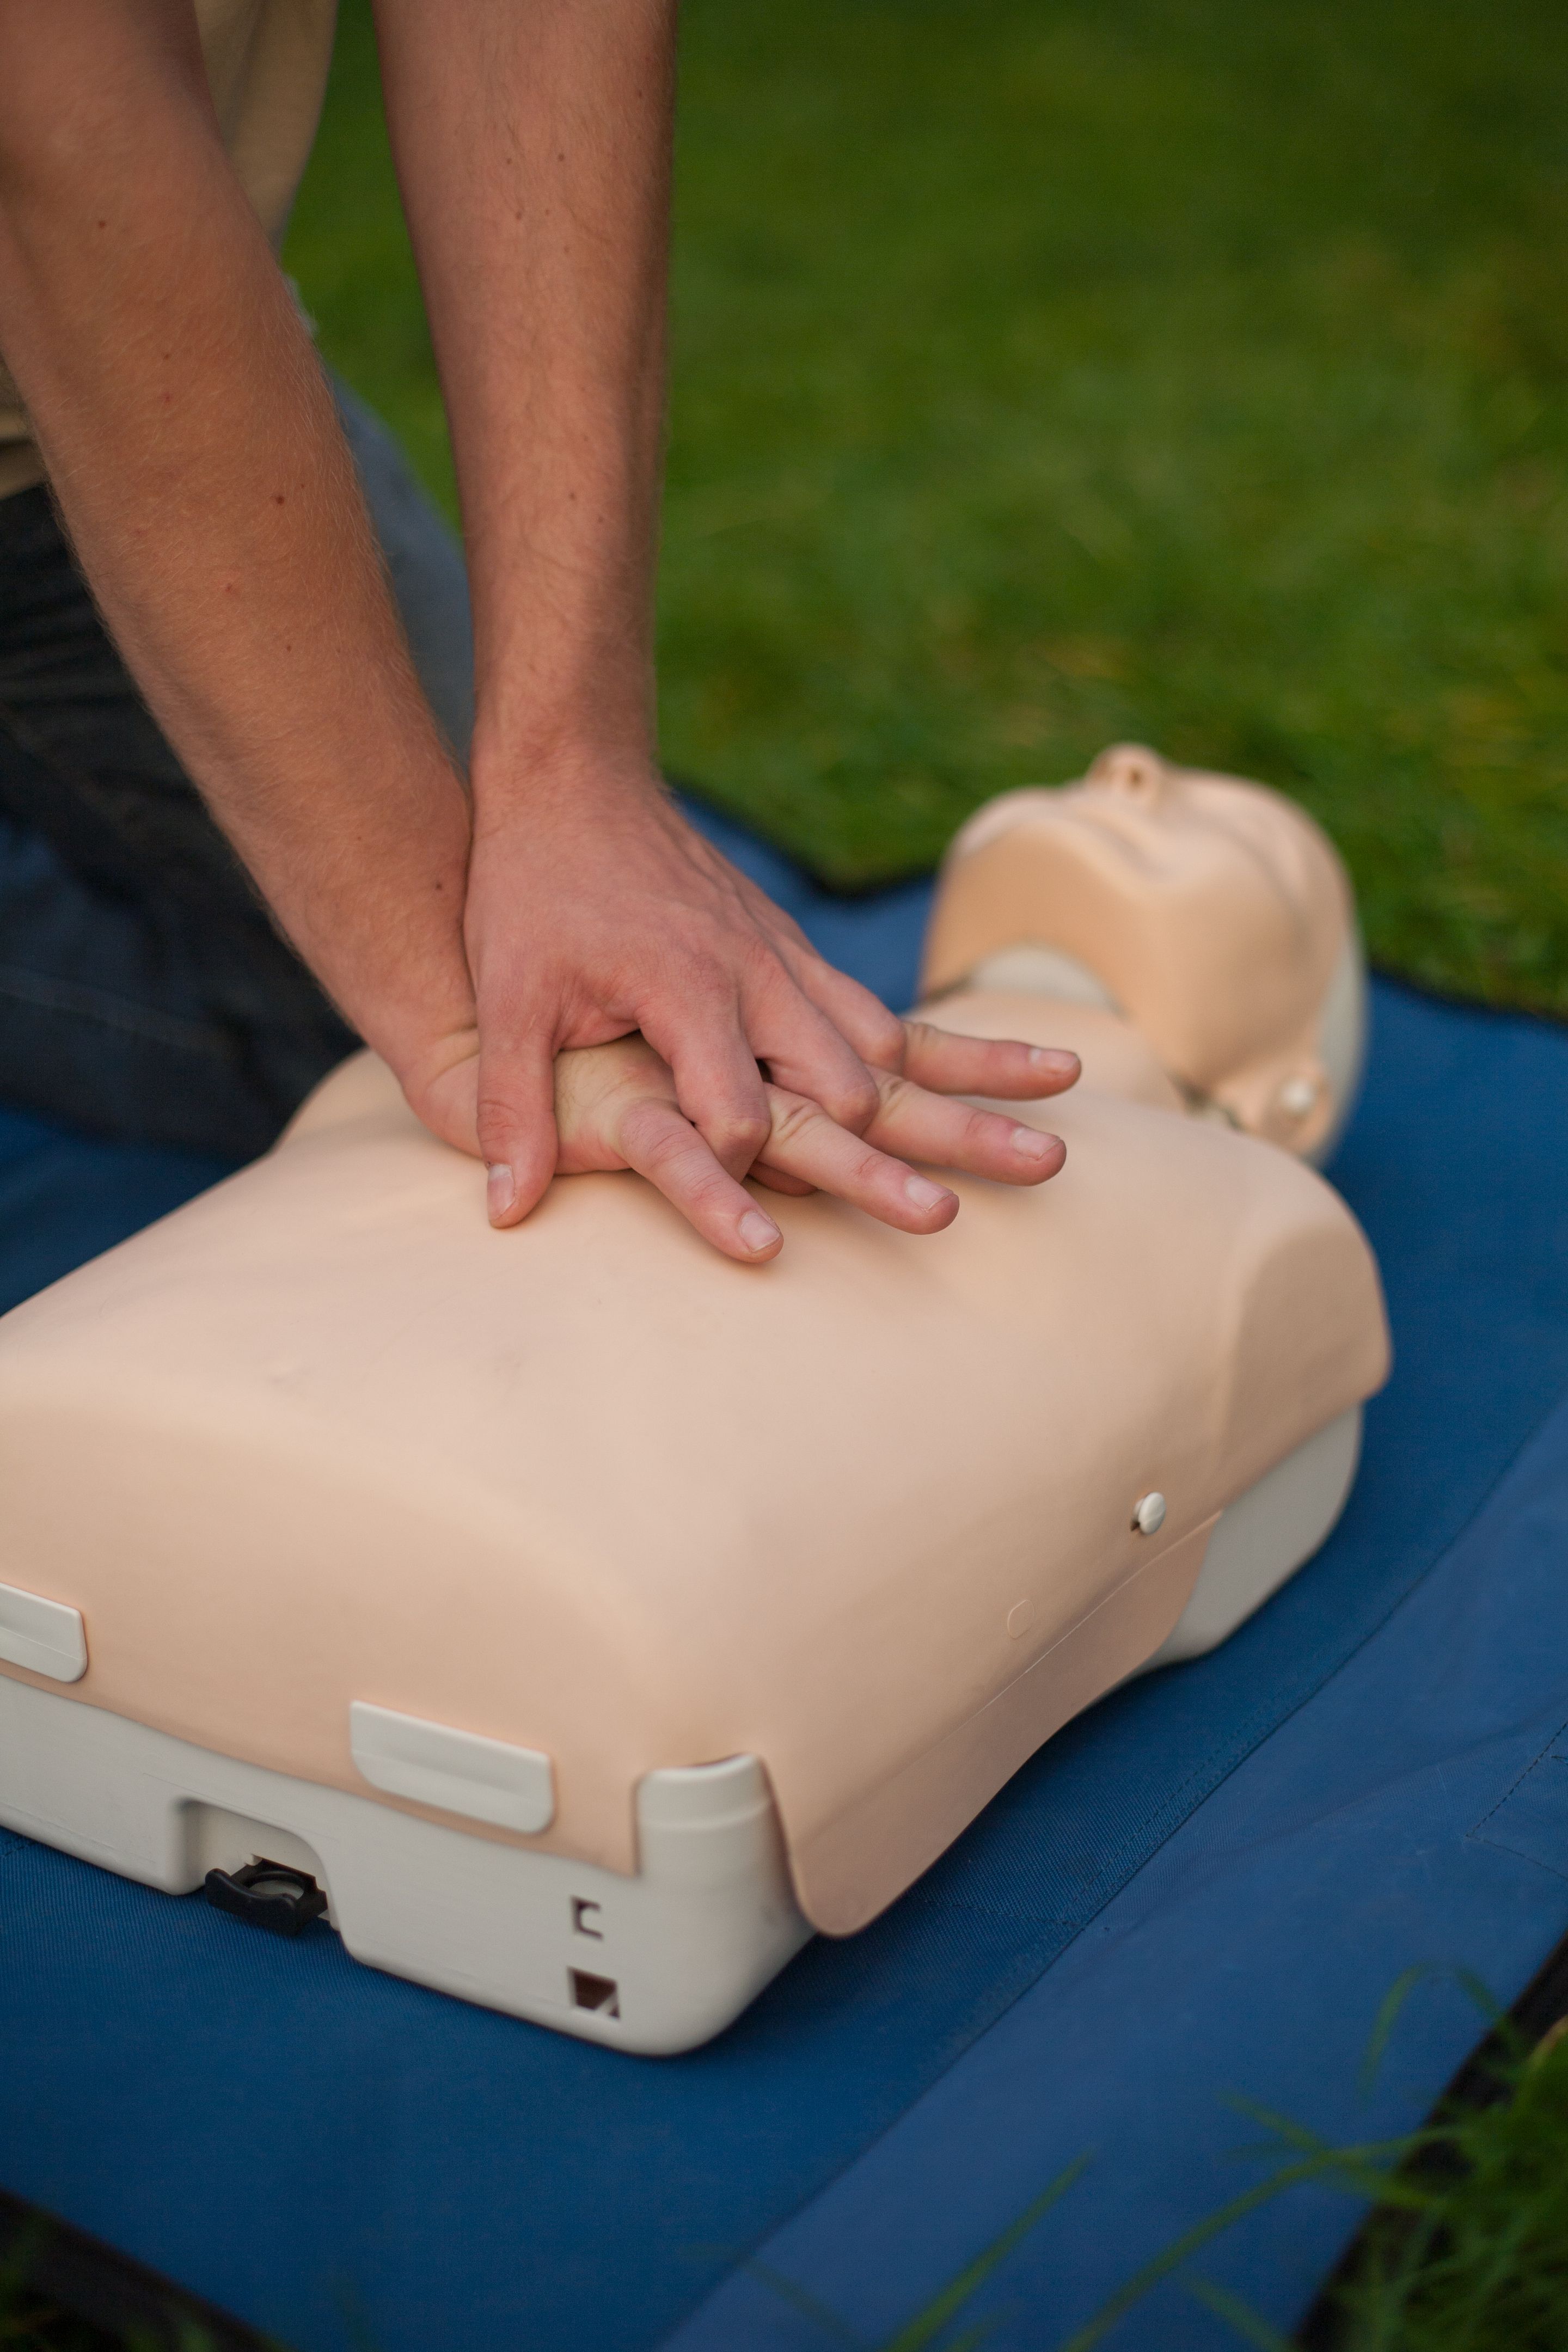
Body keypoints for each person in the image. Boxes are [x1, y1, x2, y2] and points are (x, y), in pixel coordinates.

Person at [0, 1, 1079, 1264]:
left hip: (141, 326)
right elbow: (58, 133)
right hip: (87, 269)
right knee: (434, 1040)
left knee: (407, 1032)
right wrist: (447, 1015)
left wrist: (573, 772)